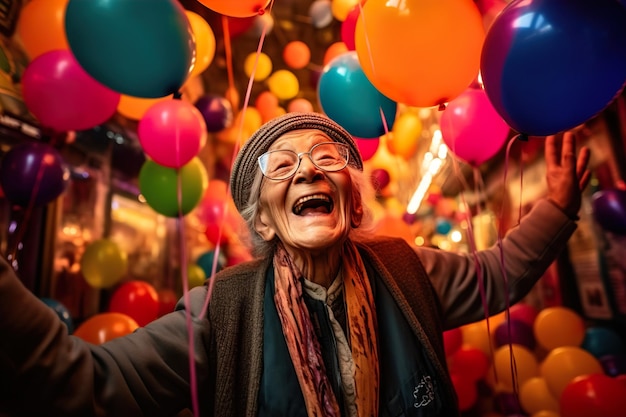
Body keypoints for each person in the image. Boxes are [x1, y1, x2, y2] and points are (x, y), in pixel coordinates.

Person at [0, 112, 591, 417]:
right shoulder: (221, 310)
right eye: (281, 166)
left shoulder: (405, 270)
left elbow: (495, 275)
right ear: (263, 222)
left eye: (324, 157)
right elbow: (88, 384)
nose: (306, 170)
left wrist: (558, 208)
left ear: (354, 200)